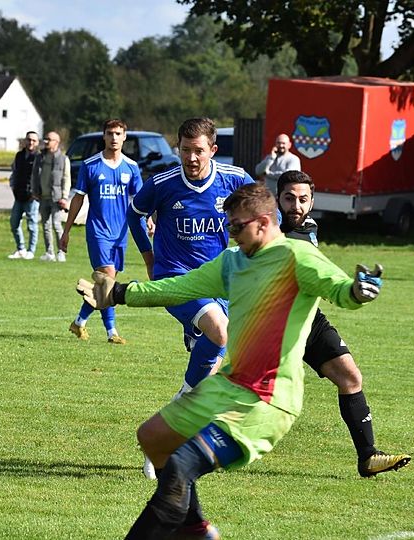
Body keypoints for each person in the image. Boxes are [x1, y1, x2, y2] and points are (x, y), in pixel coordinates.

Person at [76, 183, 384, 539]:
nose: (231, 233)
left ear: (265, 222)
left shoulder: (297, 257)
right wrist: (120, 292)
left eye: (238, 226)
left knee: (180, 465)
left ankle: (181, 528)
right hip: (228, 384)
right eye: (229, 225)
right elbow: (181, 286)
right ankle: (194, 528)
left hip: (266, 400)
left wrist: (357, 291)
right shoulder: (232, 262)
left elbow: (339, 289)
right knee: (153, 437)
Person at [127, 117, 253, 479]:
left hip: (218, 285)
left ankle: (164, 438)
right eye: (185, 150)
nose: (191, 158)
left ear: (213, 150)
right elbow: (136, 213)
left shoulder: (233, 179)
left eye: (199, 151)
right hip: (175, 279)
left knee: (207, 379)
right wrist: (150, 259)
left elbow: (265, 213)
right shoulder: (164, 184)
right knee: (220, 332)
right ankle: (168, 436)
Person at [278, 170, 411, 477]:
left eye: (302, 199)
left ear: (312, 202)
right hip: (269, 326)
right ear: (277, 199)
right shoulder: (267, 230)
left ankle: (368, 456)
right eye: (288, 198)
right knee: (246, 394)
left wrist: (351, 288)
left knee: (350, 376)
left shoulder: (309, 227)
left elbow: (319, 270)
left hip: (307, 319)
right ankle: (187, 444)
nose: (295, 206)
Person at [61, 119, 144, 344]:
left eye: (118, 133)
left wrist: (148, 221)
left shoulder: (132, 167)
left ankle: (79, 323)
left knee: (106, 287)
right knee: (107, 280)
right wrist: (66, 230)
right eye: (110, 133)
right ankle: (112, 332)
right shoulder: (91, 165)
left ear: (124, 137)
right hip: (98, 231)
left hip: (120, 233)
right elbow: (78, 198)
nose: (114, 138)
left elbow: (139, 201)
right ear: (104, 136)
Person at [32, 131, 72, 262]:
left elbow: (66, 179)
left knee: (56, 224)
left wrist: (64, 197)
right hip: (43, 196)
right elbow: (34, 175)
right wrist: (35, 190)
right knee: (45, 225)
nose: (46, 142)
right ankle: (49, 252)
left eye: (49, 140)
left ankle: (61, 252)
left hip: (56, 197)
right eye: (45, 139)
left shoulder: (63, 159)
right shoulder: (40, 157)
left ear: (57, 142)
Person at [8, 132, 40, 259]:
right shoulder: (19, 155)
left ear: (37, 142)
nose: (30, 142)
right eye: (28, 140)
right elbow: (15, 172)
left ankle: (31, 251)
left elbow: (40, 176)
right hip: (19, 194)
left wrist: (36, 192)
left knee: (32, 224)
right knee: (14, 223)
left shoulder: (39, 157)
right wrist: (13, 187)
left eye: (33, 140)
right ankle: (20, 248)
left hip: (32, 196)